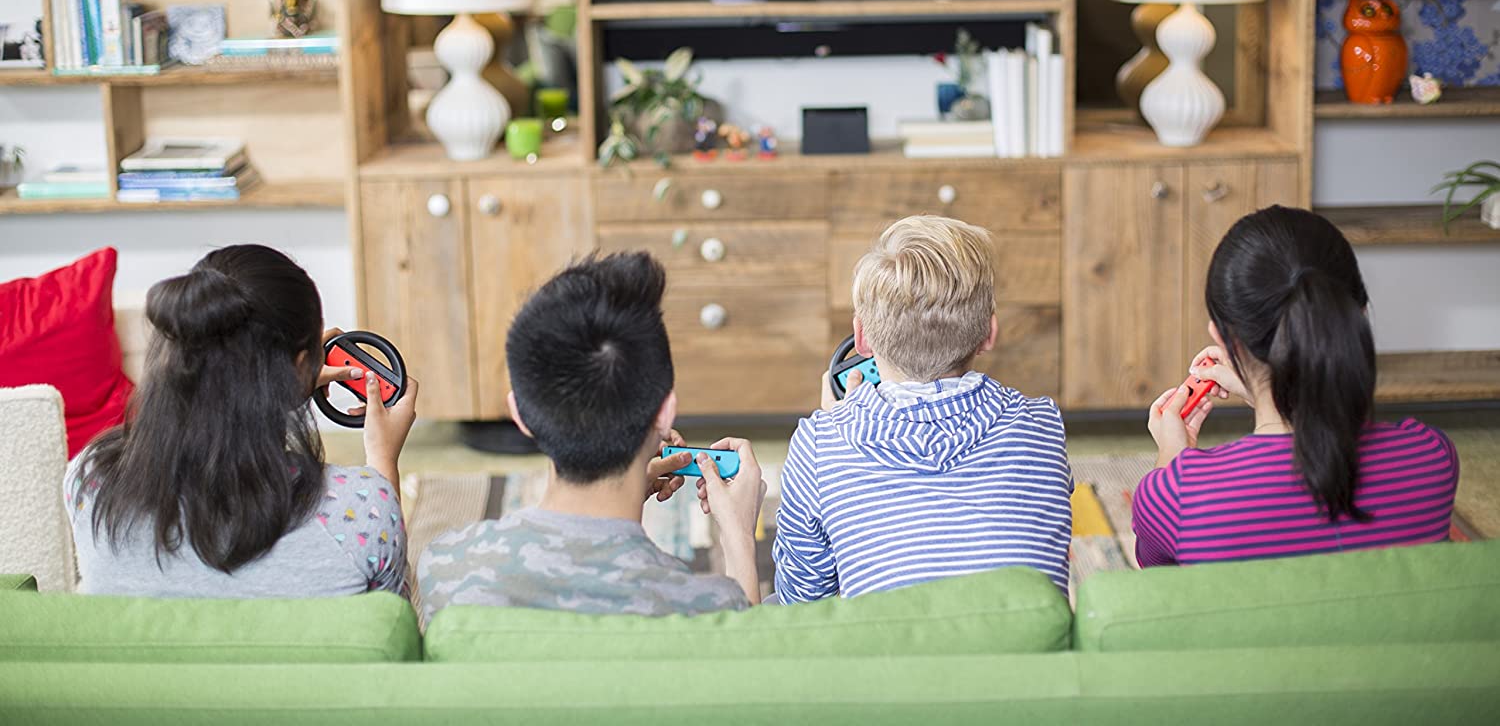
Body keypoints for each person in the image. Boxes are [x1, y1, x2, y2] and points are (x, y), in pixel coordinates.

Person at [418, 252, 765, 621]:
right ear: (665, 412)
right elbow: (751, 646)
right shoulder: (709, 605)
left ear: (519, 414)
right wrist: (739, 538)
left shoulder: (445, 569)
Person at [67, 244, 419, 598]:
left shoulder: (91, 480)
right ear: (301, 366)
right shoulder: (360, 508)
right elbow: (389, 617)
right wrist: (382, 462)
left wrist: (291, 378)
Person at [1133, 205, 1459, 567]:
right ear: (1359, 316)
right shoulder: (1432, 456)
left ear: (1223, 338)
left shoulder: (1178, 495)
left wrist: (1170, 462)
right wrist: (1272, 398)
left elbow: (1162, 587)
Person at [773, 216, 1073, 603]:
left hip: (891, 642)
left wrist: (837, 425)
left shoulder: (818, 443)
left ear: (861, 338)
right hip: (1026, 638)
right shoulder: (1042, 424)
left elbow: (802, 599)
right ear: (989, 333)